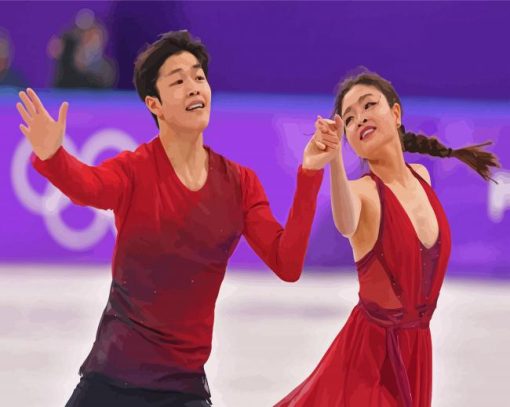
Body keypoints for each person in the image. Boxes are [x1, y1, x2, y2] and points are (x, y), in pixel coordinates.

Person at [15, 31, 340, 406]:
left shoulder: (239, 183)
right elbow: (89, 186)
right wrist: (53, 156)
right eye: (179, 80)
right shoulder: (135, 169)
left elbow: (288, 262)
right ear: (155, 104)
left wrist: (310, 174)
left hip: (183, 389)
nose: (194, 88)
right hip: (111, 381)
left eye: (199, 77)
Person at [275, 70, 500, 407]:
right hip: (370, 362)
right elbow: (345, 222)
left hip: (417, 353)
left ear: (395, 114)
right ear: (347, 138)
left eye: (369, 105)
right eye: (349, 118)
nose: (360, 118)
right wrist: (334, 160)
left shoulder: (421, 177)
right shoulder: (362, 193)